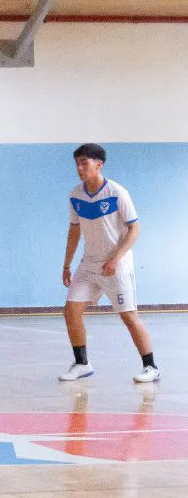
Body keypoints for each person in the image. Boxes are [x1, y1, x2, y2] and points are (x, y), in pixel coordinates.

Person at [61, 143, 159, 383]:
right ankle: (82, 364)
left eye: (84, 163)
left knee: (129, 316)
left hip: (116, 265)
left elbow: (134, 229)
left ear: (99, 165)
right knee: (71, 311)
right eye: (77, 164)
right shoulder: (75, 195)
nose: (80, 168)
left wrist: (115, 258)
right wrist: (66, 264)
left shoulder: (117, 192)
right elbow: (74, 230)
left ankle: (151, 367)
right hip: (89, 264)